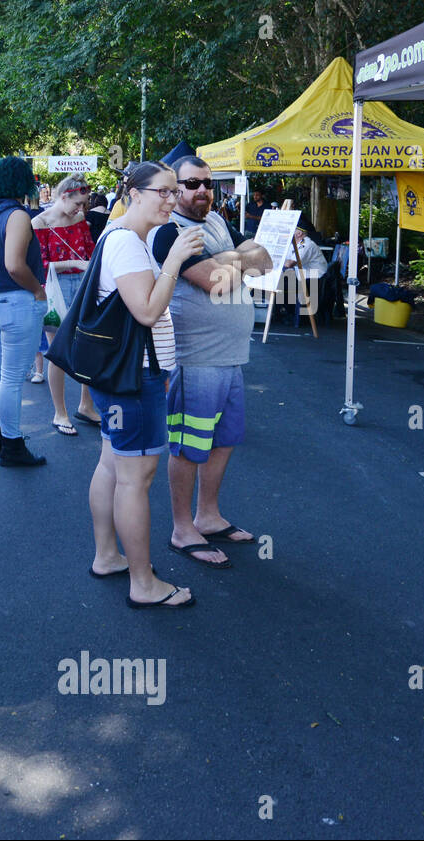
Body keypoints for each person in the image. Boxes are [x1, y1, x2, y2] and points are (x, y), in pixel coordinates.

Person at [84, 161, 203, 609]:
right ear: (135, 193)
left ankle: (108, 556)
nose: (173, 200)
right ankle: (143, 583)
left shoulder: (118, 236)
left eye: (176, 192)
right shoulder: (129, 245)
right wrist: (173, 261)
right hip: (134, 377)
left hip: (119, 374)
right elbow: (148, 312)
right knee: (136, 478)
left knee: (112, 465)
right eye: (165, 192)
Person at [148, 155, 273, 569]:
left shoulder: (217, 222)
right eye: (191, 184)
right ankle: (183, 529)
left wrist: (230, 260)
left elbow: (265, 258)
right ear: (174, 189)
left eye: (207, 183)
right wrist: (238, 260)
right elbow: (216, 283)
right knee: (188, 447)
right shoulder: (169, 233)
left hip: (232, 359)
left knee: (223, 441)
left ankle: (209, 516)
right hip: (195, 360)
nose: (202, 190)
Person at [0, 156, 48, 467]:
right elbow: (15, 265)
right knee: (12, 377)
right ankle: (12, 444)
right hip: (16, 301)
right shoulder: (17, 215)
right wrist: (37, 289)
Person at [31, 173, 101, 437]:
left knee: (87, 346)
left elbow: (89, 250)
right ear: (64, 196)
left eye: (83, 204)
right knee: (58, 352)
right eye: (78, 203)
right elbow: (39, 265)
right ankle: (60, 412)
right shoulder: (39, 222)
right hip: (56, 290)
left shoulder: (80, 219)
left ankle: (85, 404)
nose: (81, 209)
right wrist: (73, 264)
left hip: (82, 286)